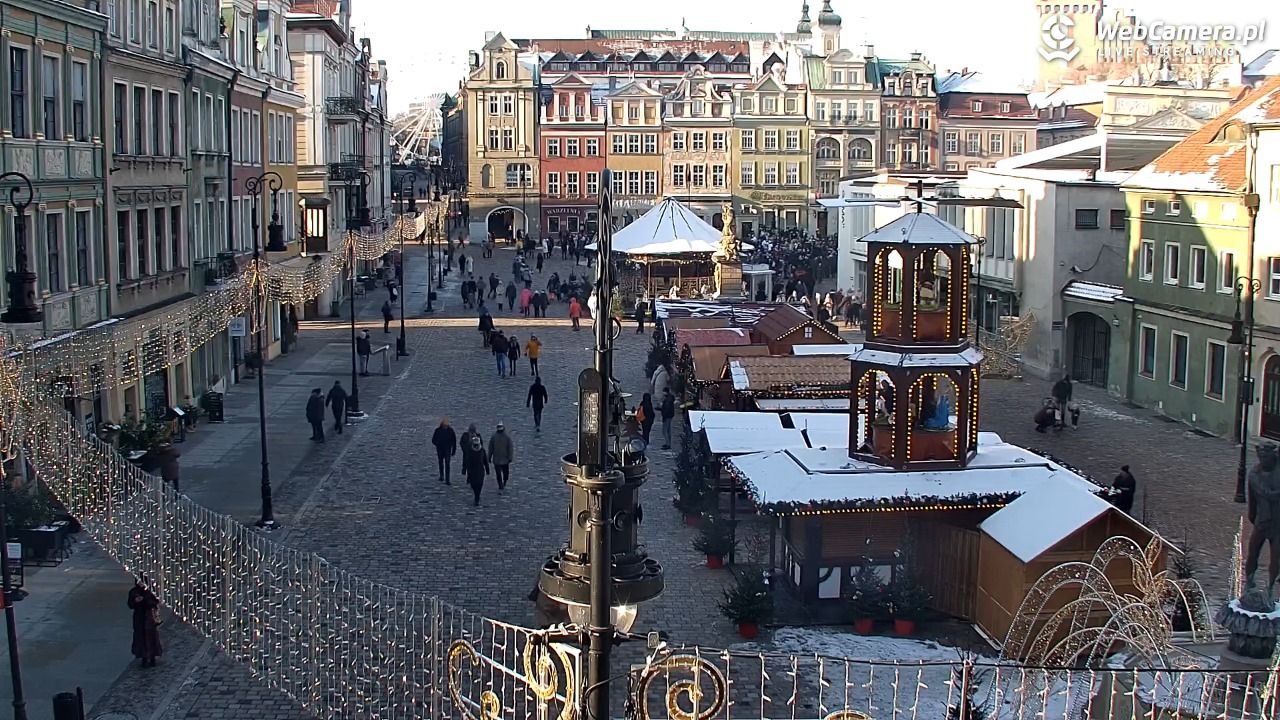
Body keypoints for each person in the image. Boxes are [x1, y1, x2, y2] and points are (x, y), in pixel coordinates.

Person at [128, 577, 162, 667]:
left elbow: (155, 601)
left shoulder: (150, 591)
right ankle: (144, 657)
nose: (140, 583)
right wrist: (135, 601)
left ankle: (152, 657)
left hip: (149, 617)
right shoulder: (134, 592)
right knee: (141, 637)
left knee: (151, 637)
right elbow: (130, 604)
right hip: (139, 618)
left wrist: (145, 600)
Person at [463, 434, 489, 506]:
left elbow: (485, 461)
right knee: (474, 484)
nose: (476, 446)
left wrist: (487, 469)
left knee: (480, 484)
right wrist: (465, 470)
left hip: (480, 471)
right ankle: (476, 494)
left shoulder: (482, 451)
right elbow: (466, 461)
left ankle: (477, 497)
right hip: (472, 471)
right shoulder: (470, 451)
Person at [488, 423, 514, 491]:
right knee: (498, 474)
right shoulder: (494, 437)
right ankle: (500, 485)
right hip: (497, 459)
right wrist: (489, 457)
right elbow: (491, 448)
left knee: (506, 474)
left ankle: (504, 482)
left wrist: (510, 457)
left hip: (505, 459)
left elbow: (510, 448)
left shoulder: (507, 437)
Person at [432, 418, 457, 484]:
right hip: (440, 449)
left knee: (447, 464)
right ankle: (442, 476)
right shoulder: (438, 430)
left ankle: (447, 479)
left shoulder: (450, 431)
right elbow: (433, 440)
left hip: (447, 449)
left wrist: (453, 450)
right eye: (444, 425)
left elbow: (454, 441)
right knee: (441, 463)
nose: (445, 426)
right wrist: (437, 444)